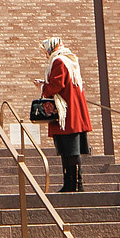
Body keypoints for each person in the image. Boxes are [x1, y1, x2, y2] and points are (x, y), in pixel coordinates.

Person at [36, 36, 91, 193]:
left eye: (46, 51)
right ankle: (71, 184)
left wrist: (43, 87)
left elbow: (57, 84)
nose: (46, 54)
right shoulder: (68, 60)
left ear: (51, 49)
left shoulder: (59, 61)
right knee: (68, 149)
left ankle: (75, 185)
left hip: (67, 112)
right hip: (71, 109)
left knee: (70, 150)